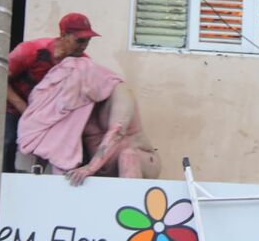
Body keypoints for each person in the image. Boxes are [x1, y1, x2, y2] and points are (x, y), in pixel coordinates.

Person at [16, 56, 160, 185]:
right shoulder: (77, 103)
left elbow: (117, 132)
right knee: (67, 166)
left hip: (140, 162)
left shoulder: (120, 92)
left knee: (128, 156)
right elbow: (54, 140)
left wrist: (90, 168)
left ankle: (130, 210)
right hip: (99, 170)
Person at [3, 12, 100, 172]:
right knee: (7, 140)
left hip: (51, 115)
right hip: (15, 107)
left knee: (81, 150)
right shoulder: (30, 51)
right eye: (80, 40)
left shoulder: (83, 62)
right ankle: (3, 183)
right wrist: (23, 107)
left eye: (87, 41)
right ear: (63, 35)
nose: (84, 46)